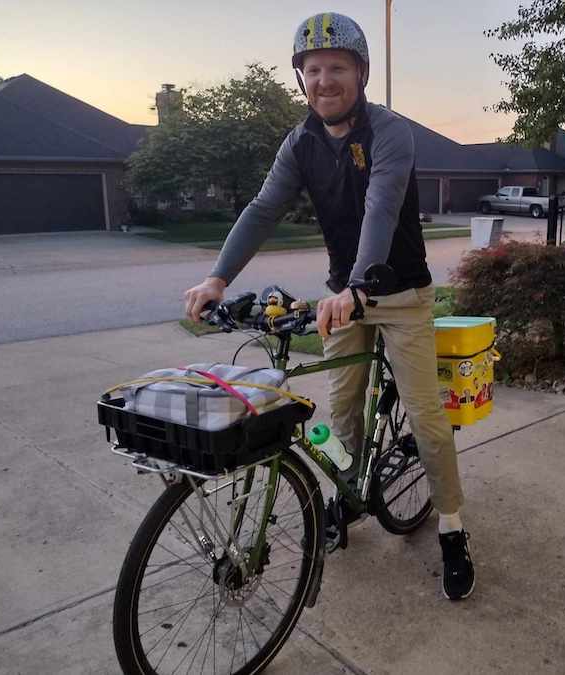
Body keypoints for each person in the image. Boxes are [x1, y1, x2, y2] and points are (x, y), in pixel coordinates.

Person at [184, 12, 475, 601]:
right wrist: (217, 277)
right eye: (312, 70)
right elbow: (263, 209)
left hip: (399, 294)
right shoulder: (301, 142)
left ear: (360, 73)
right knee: (336, 417)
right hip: (344, 296)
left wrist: (360, 286)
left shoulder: (390, 131)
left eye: (336, 67)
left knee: (426, 416)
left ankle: (451, 528)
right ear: (301, 79)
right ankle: (347, 495)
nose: (324, 80)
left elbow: (381, 207)